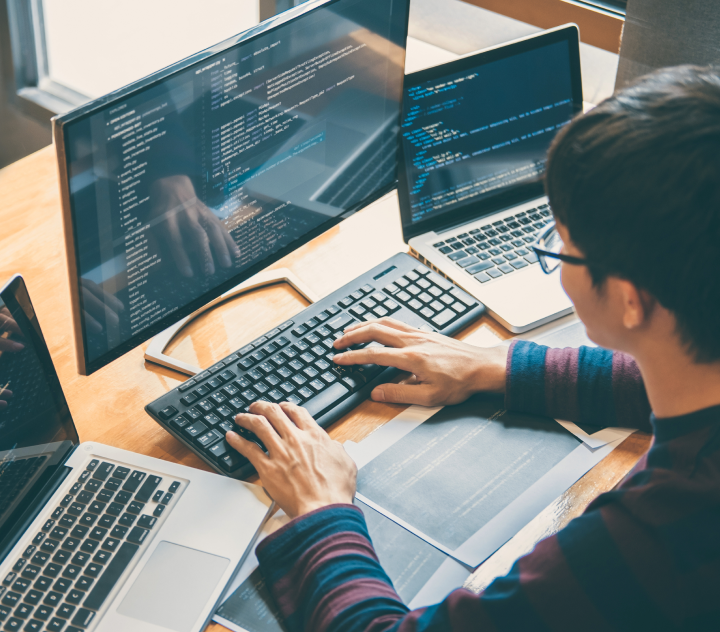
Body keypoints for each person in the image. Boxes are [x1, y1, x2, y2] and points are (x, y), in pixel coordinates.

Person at [224, 65, 720, 631]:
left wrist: (320, 508)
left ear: (631, 300)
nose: (556, 255)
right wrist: (499, 365)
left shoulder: (661, 533)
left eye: (563, 244)